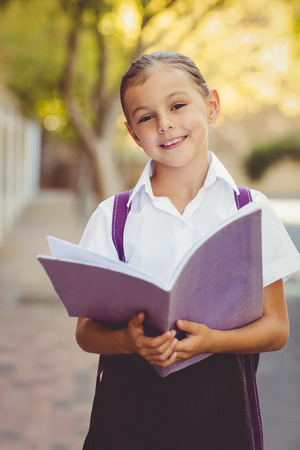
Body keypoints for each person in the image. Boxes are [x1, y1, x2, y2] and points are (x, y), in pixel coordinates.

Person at [76, 51, 299, 450]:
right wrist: (130, 341)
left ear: (211, 105)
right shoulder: (114, 217)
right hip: (127, 418)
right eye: (146, 117)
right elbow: (86, 333)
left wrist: (212, 340)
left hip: (222, 417)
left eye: (178, 105)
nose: (165, 124)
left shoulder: (250, 210)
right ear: (132, 133)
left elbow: (277, 328)